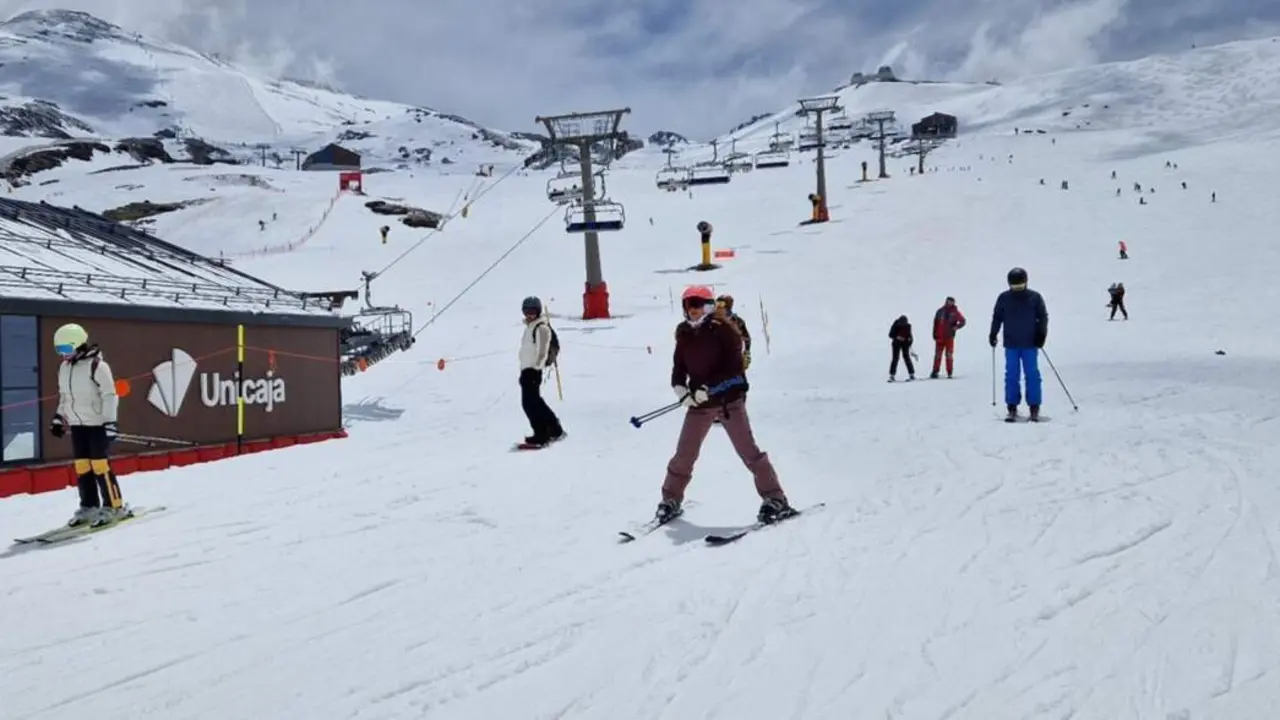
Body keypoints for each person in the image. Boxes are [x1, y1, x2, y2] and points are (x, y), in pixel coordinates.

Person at [657, 285, 792, 524]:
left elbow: (734, 369)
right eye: (688, 305)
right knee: (684, 455)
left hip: (729, 402)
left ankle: (775, 498)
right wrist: (680, 388)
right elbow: (678, 366)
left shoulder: (724, 330)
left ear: (708, 306)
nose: (692, 310)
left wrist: (707, 388)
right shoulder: (685, 333)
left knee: (749, 452)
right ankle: (670, 499)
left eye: (697, 304)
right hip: (700, 405)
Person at [49, 323, 129, 527]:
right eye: (59, 350)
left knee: (100, 465)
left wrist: (110, 422)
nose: (62, 355)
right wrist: (59, 417)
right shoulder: (64, 368)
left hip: (97, 424)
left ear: (77, 345)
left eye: (65, 349)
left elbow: (110, 396)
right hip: (77, 424)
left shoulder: (97, 366)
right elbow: (65, 397)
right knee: (82, 466)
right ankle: (89, 506)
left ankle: (114, 506)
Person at [989, 267, 1049, 421]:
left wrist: (1041, 334)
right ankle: (1012, 406)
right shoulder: (1004, 298)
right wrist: (993, 333)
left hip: (1030, 343)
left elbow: (1043, 317)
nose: (1018, 289)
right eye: (1015, 286)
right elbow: (997, 317)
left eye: (1020, 285)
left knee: (1032, 375)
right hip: (1012, 343)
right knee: (1012, 375)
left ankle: (1034, 407)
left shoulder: (1034, 297)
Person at [518, 297, 565, 447]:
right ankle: (554, 429)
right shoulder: (530, 327)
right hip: (527, 370)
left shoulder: (541, 328)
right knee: (535, 402)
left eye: (532, 311)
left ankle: (541, 434)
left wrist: (536, 367)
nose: (529, 315)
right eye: (527, 312)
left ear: (538, 311)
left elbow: (542, 351)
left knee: (530, 405)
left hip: (533, 371)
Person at [930, 297, 966, 378]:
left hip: (949, 337)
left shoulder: (955, 312)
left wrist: (956, 327)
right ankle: (935, 372)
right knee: (937, 355)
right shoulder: (940, 311)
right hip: (939, 337)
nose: (950, 303)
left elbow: (963, 321)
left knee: (949, 355)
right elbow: (935, 323)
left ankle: (949, 372)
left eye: (952, 302)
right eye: (949, 301)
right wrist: (934, 334)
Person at [714, 294, 751, 369]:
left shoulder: (737, 321)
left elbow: (746, 339)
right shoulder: (712, 321)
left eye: (721, 305)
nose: (718, 308)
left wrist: (746, 353)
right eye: (716, 305)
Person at [888, 315, 915, 381]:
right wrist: (897, 337)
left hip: (905, 344)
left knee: (906, 357)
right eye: (901, 324)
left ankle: (911, 374)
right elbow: (890, 334)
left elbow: (911, 338)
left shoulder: (908, 327)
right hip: (896, 344)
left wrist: (909, 341)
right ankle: (892, 375)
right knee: (895, 358)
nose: (902, 325)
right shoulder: (895, 325)